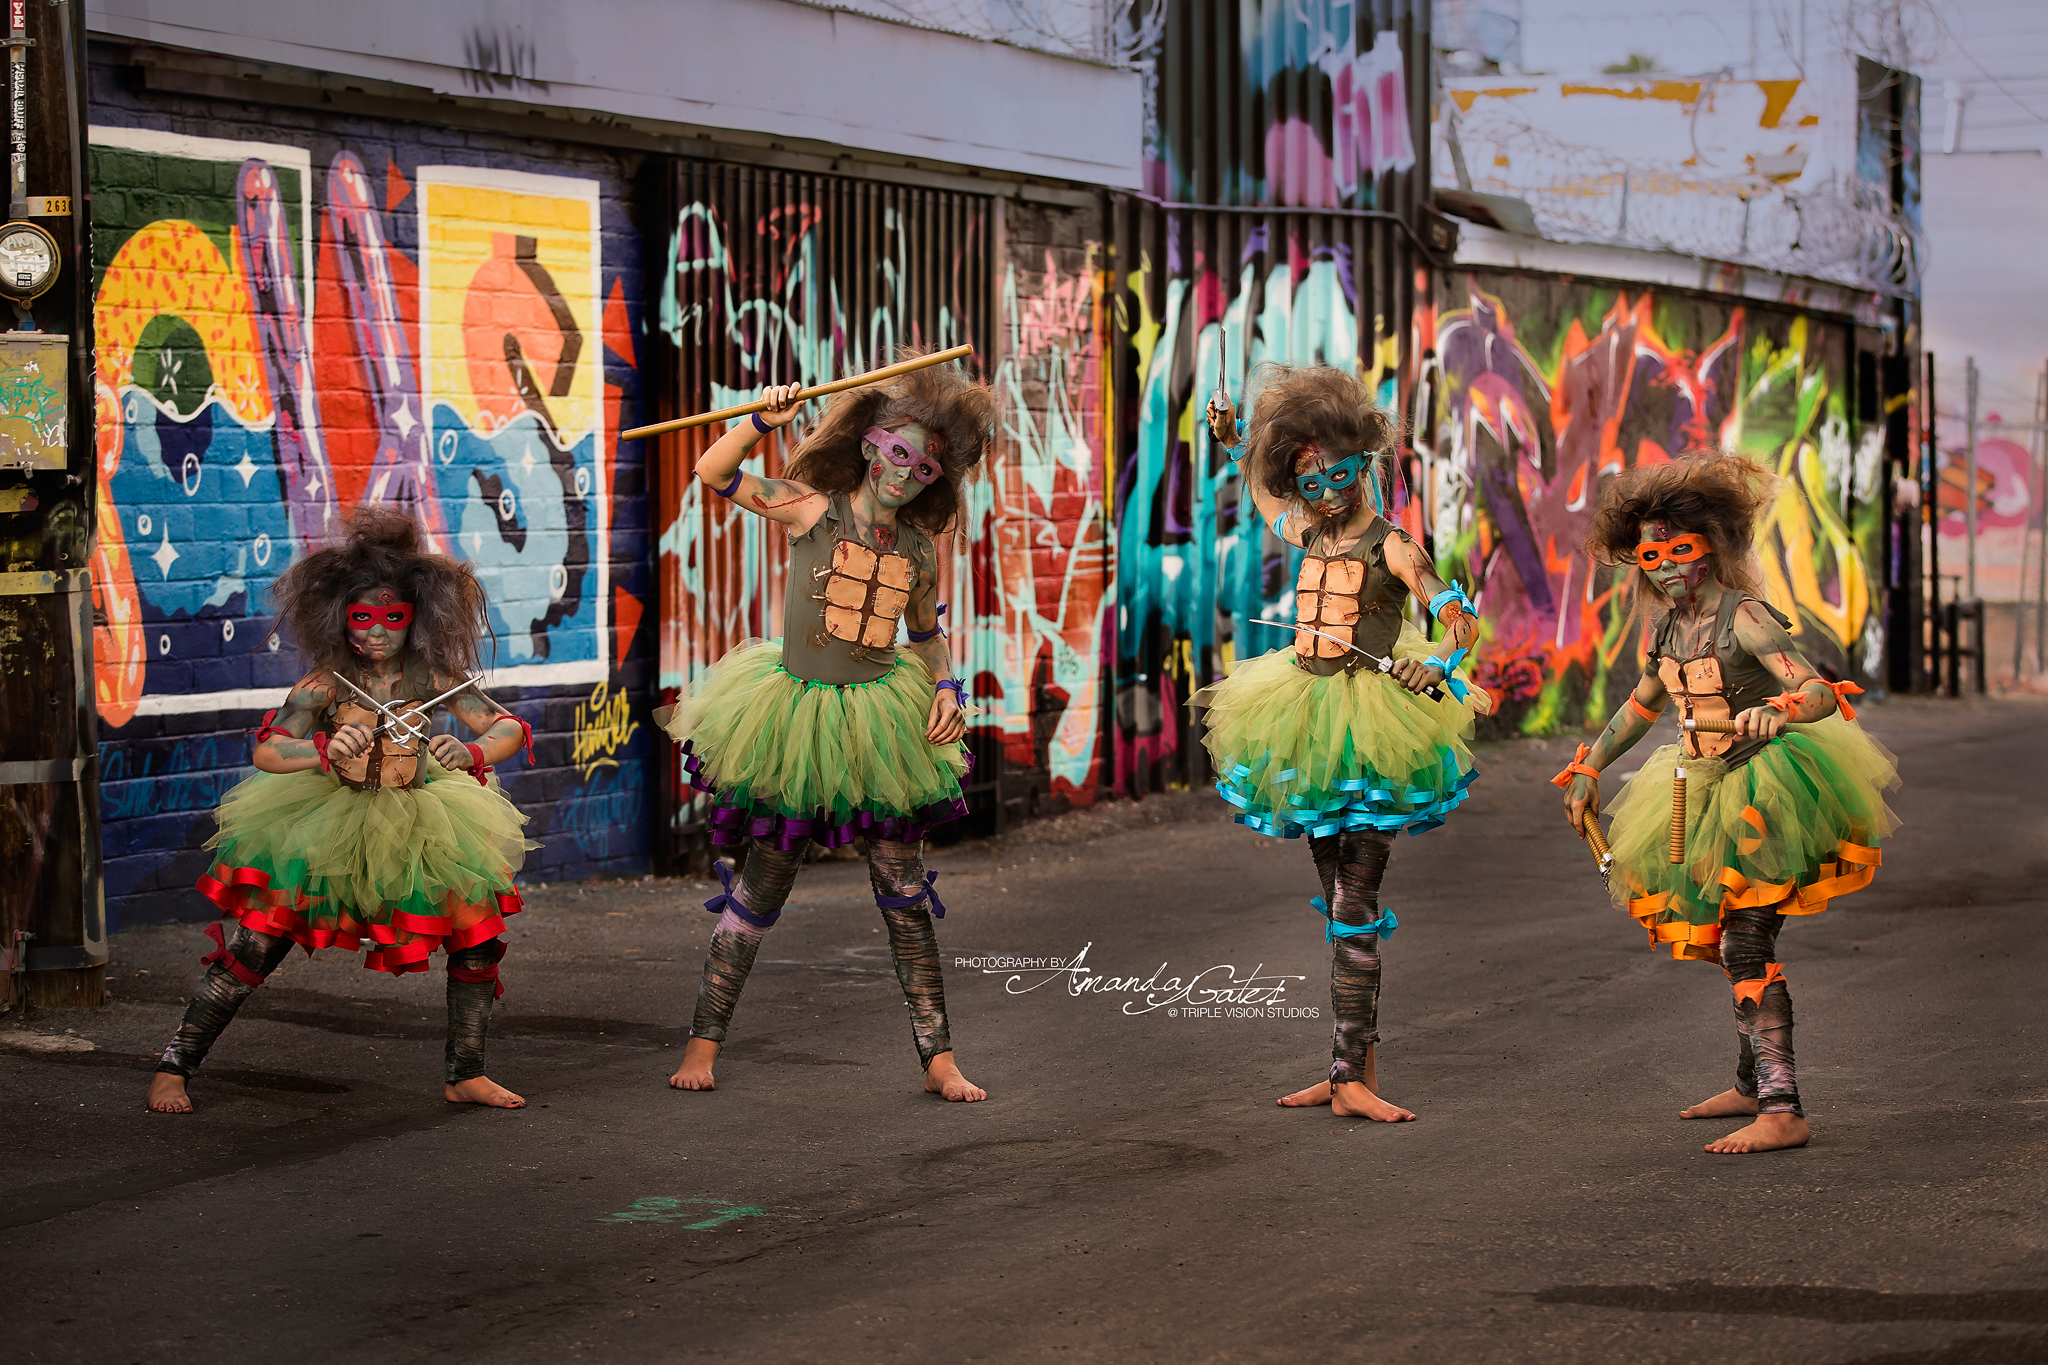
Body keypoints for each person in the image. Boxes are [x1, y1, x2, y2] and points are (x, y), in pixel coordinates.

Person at [658, 351, 995, 1102]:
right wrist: (760, 420)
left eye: (926, 468)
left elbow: (924, 633)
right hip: (795, 719)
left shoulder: (918, 550)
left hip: (882, 723)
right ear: (872, 444)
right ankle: (702, 1043)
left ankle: (940, 1059)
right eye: (899, 453)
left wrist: (946, 683)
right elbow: (713, 474)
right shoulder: (812, 509)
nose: (907, 473)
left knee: (905, 895)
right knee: (762, 885)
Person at [1557, 452, 1899, 1153]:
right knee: (1729, 939)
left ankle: (1782, 1105)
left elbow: (1817, 690)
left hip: (1767, 791)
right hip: (1695, 787)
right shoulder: (1667, 628)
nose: (1664, 567)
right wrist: (1589, 766)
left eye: (1678, 550)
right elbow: (1641, 706)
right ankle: (1751, 1084)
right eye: (1650, 555)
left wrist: (1781, 708)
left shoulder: (1744, 617)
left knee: (1746, 938)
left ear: (1709, 547)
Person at [147, 507, 537, 1114]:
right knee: (257, 943)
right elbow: (269, 749)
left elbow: (506, 725)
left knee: (477, 940)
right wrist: (321, 749)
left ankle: (466, 1072)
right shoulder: (325, 683)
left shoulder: (432, 675)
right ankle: (174, 1066)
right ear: (339, 617)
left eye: (392, 618)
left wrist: (473, 751)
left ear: (416, 617)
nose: (377, 632)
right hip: (326, 822)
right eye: (362, 618)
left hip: (424, 821)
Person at [1199, 364, 1491, 1122]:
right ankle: (1349, 1070)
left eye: (1339, 474)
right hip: (1304, 718)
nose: (1327, 492)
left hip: (1368, 731)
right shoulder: (1307, 529)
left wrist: (1440, 658)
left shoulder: (1395, 547)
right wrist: (1234, 441)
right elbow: (1264, 496)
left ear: (1363, 461)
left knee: (1355, 900)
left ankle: (1348, 1073)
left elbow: (1461, 619)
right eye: (1310, 481)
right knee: (1338, 900)